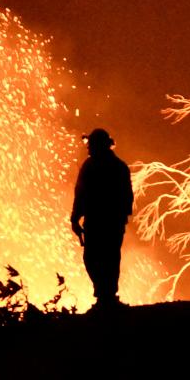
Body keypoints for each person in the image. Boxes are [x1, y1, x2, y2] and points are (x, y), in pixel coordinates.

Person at [70, 128, 134, 309]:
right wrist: (75, 218)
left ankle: (106, 297)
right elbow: (81, 194)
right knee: (100, 258)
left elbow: (81, 194)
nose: (88, 148)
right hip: (105, 221)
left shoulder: (102, 167)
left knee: (102, 258)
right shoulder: (116, 166)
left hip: (103, 221)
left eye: (91, 145)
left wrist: (75, 218)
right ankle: (105, 295)